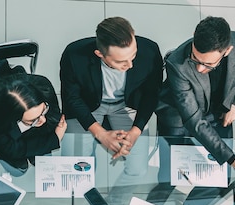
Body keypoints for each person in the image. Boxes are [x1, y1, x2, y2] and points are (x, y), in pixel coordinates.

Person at [155, 16, 235, 176]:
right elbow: (194, 120)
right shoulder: (176, 63)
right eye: (194, 59)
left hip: (217, 112)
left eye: (208, 64)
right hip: (177, 114)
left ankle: (188, 203)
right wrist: (234, 160)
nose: (199, 69)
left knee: (218, 178)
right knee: (169, 175)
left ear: (228, 50)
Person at [60, 16, 163, 177]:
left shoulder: (150, 51)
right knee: (74, 169)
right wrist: (100, 133)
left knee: (138, 170)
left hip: (127, 105)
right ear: (99, 54)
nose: (130, 65)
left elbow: (151, 95)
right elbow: (72, 98)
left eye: (133, 55)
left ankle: (118, 200)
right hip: (88, 105)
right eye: (121, 61)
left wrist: (135, 131)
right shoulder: (74, 55)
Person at [0, 73, 67, 176]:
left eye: (44, 111)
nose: (43, 119)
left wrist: (42, 137)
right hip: (6, 138)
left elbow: (52, 120)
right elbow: (11, 149)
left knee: (44, 164)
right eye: (33, 120)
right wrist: (55, 138)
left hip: (34, 135)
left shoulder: (44, 87)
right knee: (19, 171)